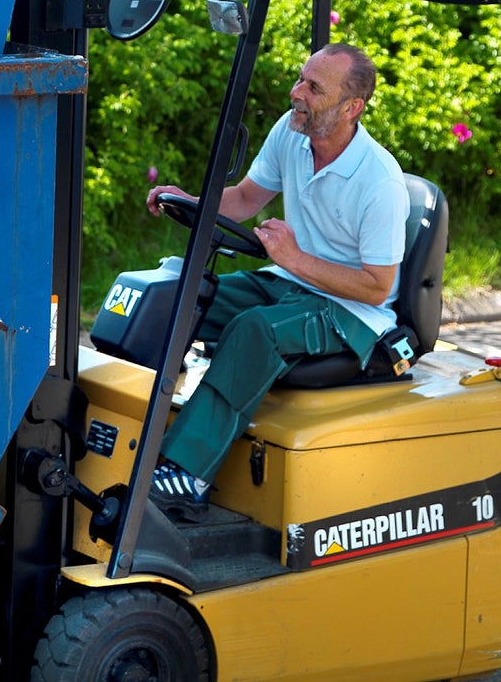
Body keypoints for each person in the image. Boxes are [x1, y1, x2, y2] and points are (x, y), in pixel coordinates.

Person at [142, 42, 409, 518]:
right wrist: (190, 201)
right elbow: (247, 198)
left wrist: (295, 257)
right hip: (290, 281)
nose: (296, 92)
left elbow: (376, 287)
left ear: (352, 107)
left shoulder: (379, 182)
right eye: (301, 79)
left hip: (353, 313)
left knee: (255, 330)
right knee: (178, 293)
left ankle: (186, 474)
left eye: (313, 87)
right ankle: (131, 428)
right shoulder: (291, 132)